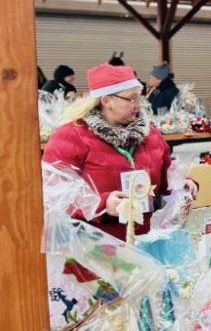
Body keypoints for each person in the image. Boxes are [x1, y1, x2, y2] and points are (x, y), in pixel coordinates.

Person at [42, 63, 198, 241]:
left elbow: (166, 178)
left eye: (140, 98)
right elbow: (53, 192)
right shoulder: (72, 135)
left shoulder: (151, 135)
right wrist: (102, 204)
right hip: (93, 247)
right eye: (132, 99)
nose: (139, 105)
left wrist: (182, 183)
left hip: (141, 242)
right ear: (107, 100)